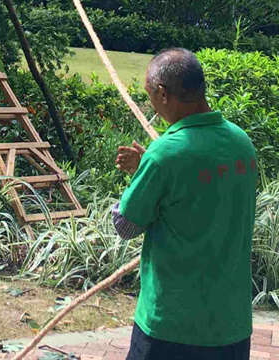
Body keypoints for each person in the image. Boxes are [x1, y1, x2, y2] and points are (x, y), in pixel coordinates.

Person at [113, 49, 257, 360]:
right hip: (230, 325)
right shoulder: (242, 145)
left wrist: (142, 174)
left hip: (171, 325)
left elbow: (126, 225)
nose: (151, 103)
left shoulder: (164, 155)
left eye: (150, 94)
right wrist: (147, 171)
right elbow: (198, 197)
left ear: (163, 93)